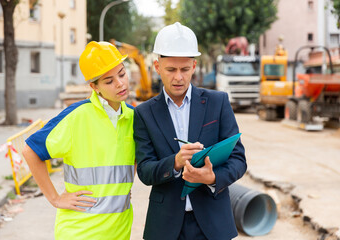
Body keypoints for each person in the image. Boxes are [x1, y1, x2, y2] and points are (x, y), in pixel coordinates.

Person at [133, 22, 247, 240]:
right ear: (157, 67)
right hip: (165, 227)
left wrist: (213, 176)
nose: (179, 77)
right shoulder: (144, 113)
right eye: (171, 70)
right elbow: (145, 171)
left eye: (185, 69)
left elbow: (238, 159)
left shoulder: (218, 102)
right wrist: (174, 162)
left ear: (194, 66)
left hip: (213, 224)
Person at [22, 41, 136, 239]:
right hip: (80, 232)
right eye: (108, 81)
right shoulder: (77, 116)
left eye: (122, 73)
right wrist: (55, 198)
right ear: (94, 87)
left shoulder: (134, 117)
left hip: (119, 231)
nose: (120, 83)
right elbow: (30, 150)